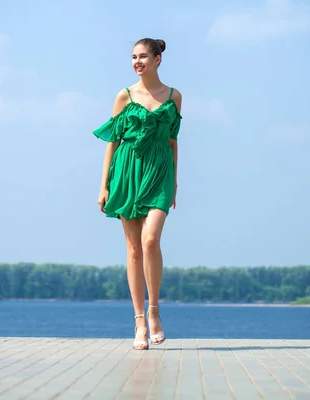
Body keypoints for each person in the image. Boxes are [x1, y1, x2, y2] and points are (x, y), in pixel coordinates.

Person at [93, 38, 182, 350]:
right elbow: (112, 143)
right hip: (127, 172)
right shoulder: (124, 95)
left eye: (143, 56)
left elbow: (172, 141)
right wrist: (103, 185)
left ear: (158, 59)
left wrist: (175, 181)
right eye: (133, 57)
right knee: (133, 248)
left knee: (150, 240)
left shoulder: (174, 97)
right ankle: (139, 321)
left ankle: (155, 310)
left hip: (159, 174)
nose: (137, 61)